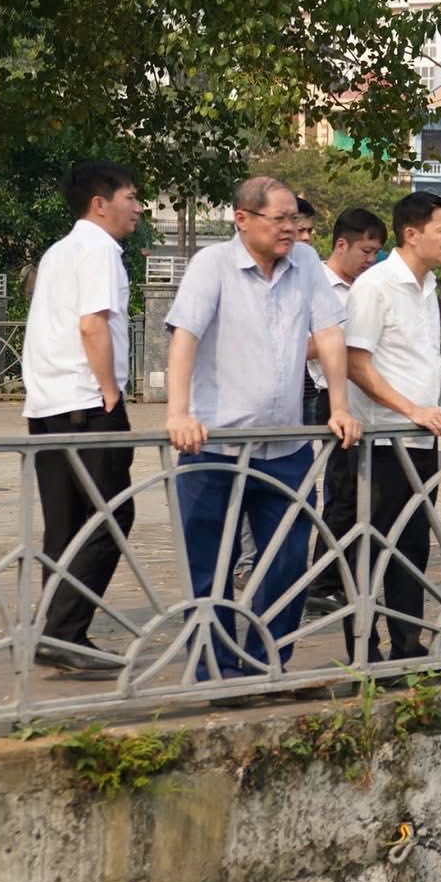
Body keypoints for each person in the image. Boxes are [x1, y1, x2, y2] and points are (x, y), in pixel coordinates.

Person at [164, 177, 360, 679]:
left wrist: (339, 406)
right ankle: (214, 670)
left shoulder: (306, 264)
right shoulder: (212, 265)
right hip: (215, 447)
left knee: (288, 561)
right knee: (210, 564)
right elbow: (185, 337)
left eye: (295, 219)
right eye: (280, 220)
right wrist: (178, 414)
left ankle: (267, 663)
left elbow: (330, 334)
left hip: (286, 447)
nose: (291, 229)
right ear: (243, 219)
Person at [20, 160, 144, 676]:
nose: (139, 208)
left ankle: (54, 633)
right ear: (100, 204)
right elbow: (93, 325)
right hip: (88, 405)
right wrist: (110, 390)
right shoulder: (99, 250)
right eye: (131, 197)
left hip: (48, 405)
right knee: (110, 518)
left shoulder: (59, 251)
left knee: (66, 526)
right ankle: (62, 632)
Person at [340, 192, 441, 660]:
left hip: (421, 436)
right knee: (371, 547)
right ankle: (362, 649)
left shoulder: (427, 286)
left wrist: (425, 413)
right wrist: (412, 410)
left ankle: (407, 645)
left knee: (411, 545)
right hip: (382, 440)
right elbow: (355, 363)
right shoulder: (375, 286)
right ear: (412, 233)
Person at [303, 207, 388, 616]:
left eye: (376, 253)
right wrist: (338, 339)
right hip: (328, 397)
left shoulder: (368, 287)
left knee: (365, 492)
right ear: (341, 244)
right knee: (342, 492)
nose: (370, 260)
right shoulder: (316, 285)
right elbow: (301, 345)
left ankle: (353, 578)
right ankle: (324, 582)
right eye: (365, 251)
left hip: (362, 399)